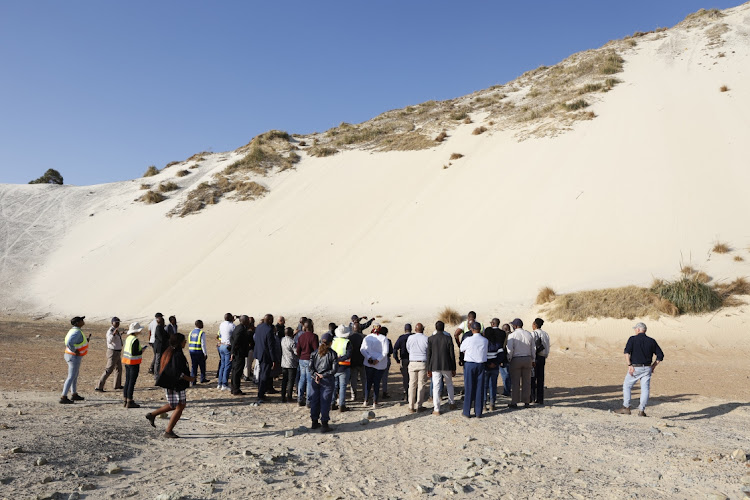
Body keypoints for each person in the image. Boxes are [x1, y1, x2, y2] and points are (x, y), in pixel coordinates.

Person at [146, 333, 195, 438]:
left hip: (169, 383)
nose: (185, 342)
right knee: (181, 406)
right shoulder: (177, 355)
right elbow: (177, 372)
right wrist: (189, 379)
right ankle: (168, 431)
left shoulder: (169, 351)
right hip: (176, 384)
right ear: (179, 342)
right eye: (184, 340)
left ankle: (152, 415)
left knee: (173, 405)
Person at [615, 322, 664, 417]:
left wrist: (629, 364)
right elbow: (660, 355)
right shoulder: (651, 341)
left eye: (635, 329)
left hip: (635, 367)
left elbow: (626, 352)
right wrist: (653, 366)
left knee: (627, 385)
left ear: (638, 329)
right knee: (645, 389)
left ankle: (626, 407)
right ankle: (641, 410)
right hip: (647, 367)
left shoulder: (632, 339)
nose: (635, 330)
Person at [426, 320, 457, 415]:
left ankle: (437, 409)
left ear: (436, 328)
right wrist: (453, 367)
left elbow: (429, 355)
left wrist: (428, 368)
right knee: (449, 384)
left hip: (435, 365)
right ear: (444, 328)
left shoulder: (431, 339)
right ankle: (451, 403)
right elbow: (452, 354)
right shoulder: (448, 338)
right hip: (447, 365)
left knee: (436, 387)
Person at [309, 332, 338, 432]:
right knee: (325, 402)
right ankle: (324, 424)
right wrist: (323, 375)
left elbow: (310, 368)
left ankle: (314, 421)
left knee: (315, 401)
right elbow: (334, 370)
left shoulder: (314, 353)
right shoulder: (332, 354)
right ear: (330, 343)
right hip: (327, 380)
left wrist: (315, 375)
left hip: (316, 380)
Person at [460, 322, 488, 418]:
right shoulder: (485, 340)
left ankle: (467, 411)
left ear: (472, 329)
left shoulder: (468, 340)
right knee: (479, 388)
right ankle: (478, 412)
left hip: (470, 364)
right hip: (481, 364)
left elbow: (461, 349)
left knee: (469, 387)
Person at [506, 318, 536, 408]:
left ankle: (514, 402)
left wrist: (509, 358)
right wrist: (533, 359)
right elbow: (533, 348)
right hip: (527, 358)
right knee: (527, 381)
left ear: (515, 326)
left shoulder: (512, 335)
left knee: (515, 382)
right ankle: (526, 401)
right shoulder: (529, 334)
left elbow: (509, 349)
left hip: (516, 359)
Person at [60, 316, 89, 404]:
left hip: (71, 355)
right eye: (81, 320)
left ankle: (74, 393)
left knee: (74, 375)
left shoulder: (74, 330)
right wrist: (74, 350)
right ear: (77, 323)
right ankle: (63, 396)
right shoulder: (76, 332)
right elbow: (69, 342)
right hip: (73, 356)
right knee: (71, 376)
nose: (83, 321)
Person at [361, 325, 389, 408]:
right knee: (376, 382)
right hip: (379, 364)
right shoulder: (383, 338)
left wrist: (369, 358)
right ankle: (375, 402)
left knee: (368, 382)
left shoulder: (367, 337)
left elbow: (362, 349)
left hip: (368, 362)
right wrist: (378, 360)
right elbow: (385, 352)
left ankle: (366, 400)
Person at [122, 321, 147, 408]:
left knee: (127, 381)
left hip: (127, 361)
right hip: (133, 363)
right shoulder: (135, 340)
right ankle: (130, 401)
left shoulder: (128, 338)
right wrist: (142, 351)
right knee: (131, 382)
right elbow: (134, 352)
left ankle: (125, 400)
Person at [254, 314, 279, 402]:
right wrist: (274, 359)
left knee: (261, 373)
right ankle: (261, 394)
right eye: (272, 320)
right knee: (264, 374)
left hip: (259, 353)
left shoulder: (259, 327)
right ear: (268, 320)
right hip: (266, 355)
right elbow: (270, 346)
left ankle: (261, 392)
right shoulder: (269, 330)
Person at [95, 316, 123, 392]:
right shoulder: (111, 331)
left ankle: (117, 385)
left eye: (118, 322)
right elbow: (109, 340)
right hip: (113, 352)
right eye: (116, 322)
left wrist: (120, 334)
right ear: (112, 323)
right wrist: (114, 334)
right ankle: (99, 386)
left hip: (117, 352)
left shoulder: (116, 330)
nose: (117, 324)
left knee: (119, 369)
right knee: (108, 369)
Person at [405, 322, 429, 413]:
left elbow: (408, 349)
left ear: (415, 330)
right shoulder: (426, 338)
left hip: (412, 362)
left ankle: (411, 406)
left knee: (412, 384)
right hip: (422, 362)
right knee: (421, 384)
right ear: (423, 329)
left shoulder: (410, 338)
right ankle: (419, 405)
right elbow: (428, 350)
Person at [484, 318, 505, 411]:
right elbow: (501, 354)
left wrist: (488, 364)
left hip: (485, 367)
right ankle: (492, 403)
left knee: (484, 386)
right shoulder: (497, 344)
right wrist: (495, 363)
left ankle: (484, 404)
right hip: (495, 366)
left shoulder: (484, 344)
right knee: (493, 385)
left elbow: (481, 355)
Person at [296, 320, 319, 407]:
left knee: (302, 378)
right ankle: (308, 401)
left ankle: (300, 398)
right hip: (310, 359)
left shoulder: (301, 336)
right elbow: (316, 350)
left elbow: (298, 350)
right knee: (309, 380)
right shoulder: (314, 336)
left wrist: (300, 356)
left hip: (302, 359)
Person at [331, 324, 352, 412]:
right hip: (344, 366)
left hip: (333, 366)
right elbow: (348, 354)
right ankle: (342, 405)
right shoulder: (347, 342)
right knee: (342, 386)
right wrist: (340, 358)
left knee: (334, 386)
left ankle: (332, 403)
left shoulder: (334, 340)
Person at [230, 315, 252, 395]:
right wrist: (232, 352)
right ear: (245, 321)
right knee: (237, 371)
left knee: (236, 371)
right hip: (239, 354)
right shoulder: (241, 329)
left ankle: (234, 388)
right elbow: (235, 341)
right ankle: (236, 389)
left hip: (238, 353)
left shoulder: (239, 327)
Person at [530, 318, 550, 405]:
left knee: (532, 378)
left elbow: (532, 346)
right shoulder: (546, 334)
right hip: (543, 357)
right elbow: (548, 346)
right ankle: (540, 398)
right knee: (541, 378)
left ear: (535, 325)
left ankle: (532, 397)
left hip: (536, 357)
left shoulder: (533, 333)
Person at [393, 323, 413, 401]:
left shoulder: (401, 338)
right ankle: (413, 395)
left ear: (405, 330)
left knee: (405, 378)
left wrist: (397, 359)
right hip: (412, 359)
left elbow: (395, 349)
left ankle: (406, 395)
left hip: (404, 359)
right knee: (413, 378)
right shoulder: (413, 336)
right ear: (411, 329)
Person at [348, 322, 366, 402]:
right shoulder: (364, 337)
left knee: (353, 380)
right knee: (364, 379)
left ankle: (353, 395)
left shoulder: (349, 338)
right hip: (363, 361)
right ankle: (365, 395)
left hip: (353, 361)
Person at [188, 320, 209, 385]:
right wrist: (205, 353)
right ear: (199, 325)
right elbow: (203, 344)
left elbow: (189, 342)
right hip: (199, 351)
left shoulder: (191, 332)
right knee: (202, 366)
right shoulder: (201, 333)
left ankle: (193, 381)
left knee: (194, 366)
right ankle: (202, 378)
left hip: (192, 351)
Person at [217, 313, 235, 391]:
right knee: (227, 366)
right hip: (227, 346)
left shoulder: (222, 324)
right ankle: (224, 384)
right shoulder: (232, 325)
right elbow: (234, 334)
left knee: (223, 365)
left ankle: (219, 383)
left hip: (222, 345)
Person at [280, 327, 298, 403]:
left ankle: (282, 396)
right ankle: (289, 396)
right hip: (291, 363)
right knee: (291, 381)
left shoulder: (282, 340)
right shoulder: (292, 342)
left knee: (284, 380)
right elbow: (296, 352)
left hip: (284, 362)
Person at [152, 315, 169, 381]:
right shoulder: (158, 328)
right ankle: (156, 376)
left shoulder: (162, 328)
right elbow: (161, 338)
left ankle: (160, 374)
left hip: (162, 347)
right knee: (158, 361)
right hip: (159, 348)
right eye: (163, 321)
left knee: (161, 361)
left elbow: (167, 336)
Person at [500, 323, 512, 397]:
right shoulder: (513, 335)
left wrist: (501, 359)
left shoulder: (505, 336)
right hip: (513, 358)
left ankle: (507, 391)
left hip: (505, 359)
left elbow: (503, 347)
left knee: (505, 375)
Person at [380, 328, 393, 399]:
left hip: (378, 359)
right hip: (386, 359)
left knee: (377, 376)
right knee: (385, 377)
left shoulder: (377, 340)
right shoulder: (388, 340)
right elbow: (390, 351)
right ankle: (384, 392)